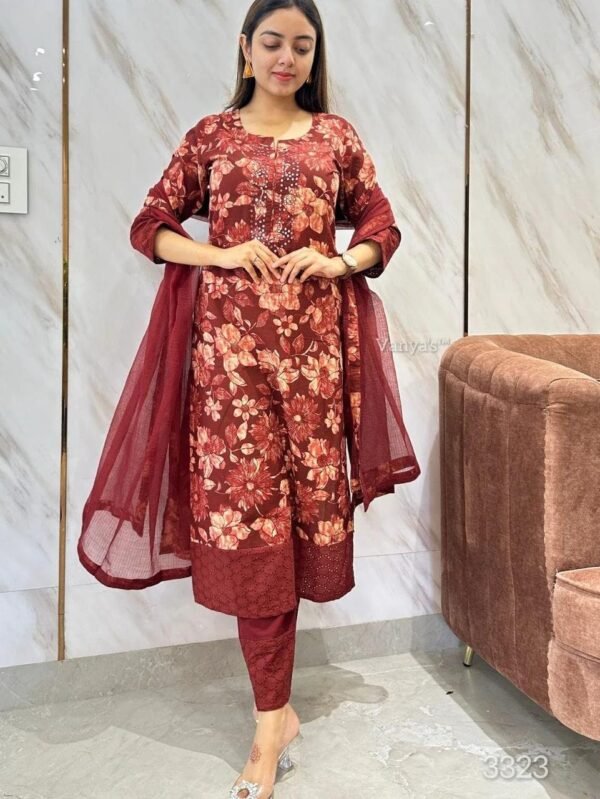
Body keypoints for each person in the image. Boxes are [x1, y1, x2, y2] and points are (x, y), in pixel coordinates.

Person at [82, 1, 419, 797]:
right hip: (229, 376)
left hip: (313, 372)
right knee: (251, 529)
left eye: (302, 45)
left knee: (297, 528)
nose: (286, 58)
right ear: (245, 49)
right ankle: (271, 720)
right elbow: (149, 224)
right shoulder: (212, 137)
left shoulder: (335, 138)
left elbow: (381, 223)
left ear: (314, 57)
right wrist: (222, 253)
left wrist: (340, 262)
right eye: (272, 42)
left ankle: (276, 711)